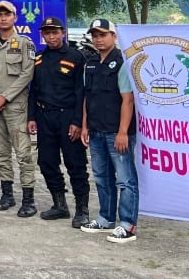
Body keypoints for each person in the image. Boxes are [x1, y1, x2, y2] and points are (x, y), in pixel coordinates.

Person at [80, 18, 139, 244]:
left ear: (114, 36)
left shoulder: (122, 62)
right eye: (95, 35)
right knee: (102, 177)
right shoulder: (91, 63)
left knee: (125, 180)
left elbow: (128, 100)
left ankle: (128, 224)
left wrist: (123, 132)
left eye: (103, 35)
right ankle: (106, 218)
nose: (98, 39)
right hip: (96, 130)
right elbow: (87, 98)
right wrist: (85, 125)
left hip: (117, 132)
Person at [28, 17, 90, 228]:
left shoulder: (76, 56)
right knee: (46, 162)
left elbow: (81, 92)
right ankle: (60, 205)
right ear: (42, 35)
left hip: (68, 117)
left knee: (76, 164)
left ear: (63, 33)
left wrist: (77, 122)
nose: (51, 36)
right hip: (45, 117)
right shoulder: (39, 57)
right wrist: (31, 117)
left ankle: (82, 209)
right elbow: (33, 90)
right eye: (47, 33)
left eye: (55, 32)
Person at [0, 0, 37, 217]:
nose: (3, 18)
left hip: (16, 106)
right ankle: (7, 194)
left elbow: (27, 74)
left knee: (23, 153)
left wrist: (4, 97)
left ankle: (28, 199)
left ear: (15, 17)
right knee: (1, 151)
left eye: (7, 14)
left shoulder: (24, 43)